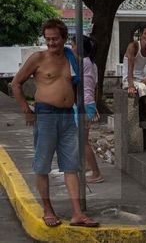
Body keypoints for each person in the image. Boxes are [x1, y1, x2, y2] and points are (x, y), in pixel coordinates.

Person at [11, 18, 99, 227]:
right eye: (48, 39)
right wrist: (26, 110)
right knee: (42, 165)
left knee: (71, 166)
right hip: (46, 115)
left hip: (69, 116)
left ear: (63, 38)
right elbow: (16, 84)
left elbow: (77, 87)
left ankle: (77, 214)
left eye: (55, 39)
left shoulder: (72, 59)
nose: (51, 43)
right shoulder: (38, 58)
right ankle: (48, 209)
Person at [81, 35, 103, 184]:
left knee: (83, 141)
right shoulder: (92, 63)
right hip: (89, 103)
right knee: (82, 139)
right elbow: (95, 87)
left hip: (84, 103)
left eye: (74, 44)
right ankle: (90, 168)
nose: (72, 47)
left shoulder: (83, 62)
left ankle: (96, 173)